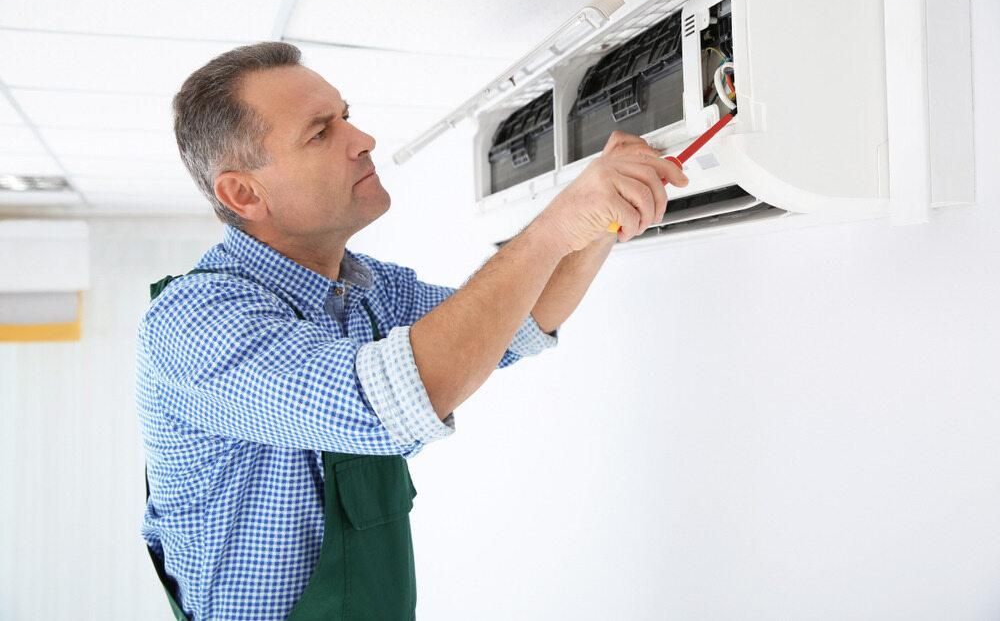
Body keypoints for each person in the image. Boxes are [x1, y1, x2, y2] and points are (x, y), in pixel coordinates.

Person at [136, 41, 687, 621]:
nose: (362, 139)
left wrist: (602, 219)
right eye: (321, 133)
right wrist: (554, 227)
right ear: (243, 194)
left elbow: (514, 326)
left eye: (345, 116)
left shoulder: (366, 290)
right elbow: (394, 399)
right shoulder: (194, 322)